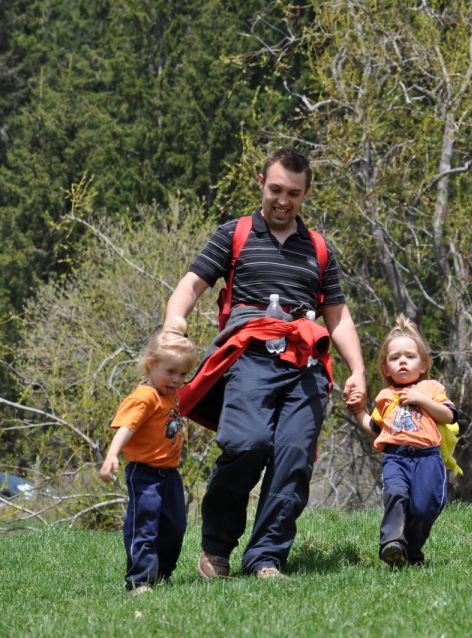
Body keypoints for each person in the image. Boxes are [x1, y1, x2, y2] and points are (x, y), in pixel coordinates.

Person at [166, 147, 366, 579]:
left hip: (307, 367)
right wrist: (173, 323)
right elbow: (192, 283)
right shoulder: (233, 234)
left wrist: (359, 371)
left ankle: (266, 557)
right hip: (249, 358)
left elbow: (338, 316)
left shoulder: (318, 248)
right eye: (275, 189)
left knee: (294, 458)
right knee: (245, 444)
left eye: (293, 193)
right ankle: (217, 548)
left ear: (306, 193)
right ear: (261, 183)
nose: (283, 200)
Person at [98, 318, 200, 594]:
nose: (178, 379)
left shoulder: (171, 394)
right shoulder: (145, 396)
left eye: (183, 374)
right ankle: (139, 580)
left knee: (176, 526)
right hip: (144, 473)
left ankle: (162, 573)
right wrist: (111, 455)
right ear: (151, 365)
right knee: (144, 526)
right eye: (171, 372)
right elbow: (127, 426)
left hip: (170, 473)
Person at [348, 315, 457, 567]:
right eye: (395, 358)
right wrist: (357, 412)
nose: (403, 362)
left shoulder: (431, 388)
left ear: (423, 364)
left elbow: (449, 415)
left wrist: (422, 400)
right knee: (395, 493)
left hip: (428, 458)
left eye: (409, 356)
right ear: (386, 368)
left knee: (424, 508)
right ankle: (391, 542)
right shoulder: (385, 396)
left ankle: (411, 551)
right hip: (395, 457)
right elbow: (376, 428)